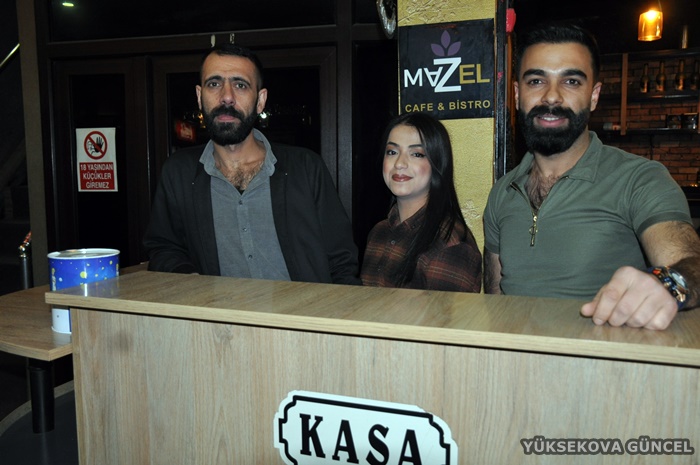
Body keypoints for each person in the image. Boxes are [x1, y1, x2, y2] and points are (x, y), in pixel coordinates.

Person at [483, 21, 700, 330]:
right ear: (517, 94)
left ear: (594, 95)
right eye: (536, 81)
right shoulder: (502, 192)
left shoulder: (639, 179)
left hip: (602, 359)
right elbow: (494, 299)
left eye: (571, 81)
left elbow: (690, 262)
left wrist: (669, 283)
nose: (551, 97)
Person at [143, 43, 360, 285]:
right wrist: (193, 283)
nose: (227, 97)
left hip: (305, 309)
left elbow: (341, 261)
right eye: (214, 84)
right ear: (199, 96)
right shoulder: (178, 172)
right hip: (218, 310)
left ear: (260, 100)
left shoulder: (306, 168)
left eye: (240, 85)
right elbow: (163, 247)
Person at [361, 112, 482, 292]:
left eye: (416, 154)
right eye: (392, 152)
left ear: (437, 163)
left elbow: (444, 312)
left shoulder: (450, 245)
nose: (399, 163)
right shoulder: (378, 232)